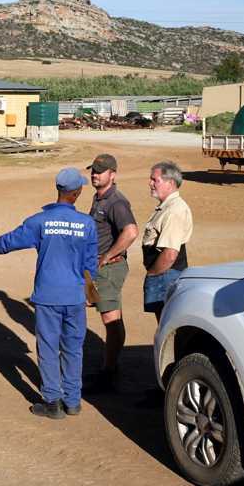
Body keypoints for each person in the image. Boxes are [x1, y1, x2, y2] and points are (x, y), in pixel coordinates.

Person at [0, 168, 98, 420]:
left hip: (48, 296)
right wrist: (89, 292)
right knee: (73, 349)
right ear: (77, 193)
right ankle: (72, 401)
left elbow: (8, 242)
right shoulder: (87, 224)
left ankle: (52, 401)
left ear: (60, 191)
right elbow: (90, 263)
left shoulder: (39, 221)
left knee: (49, 348)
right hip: (74, 296)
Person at [83, 154, 137, 394]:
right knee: (110, 317)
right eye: (93, 170)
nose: (95, 174)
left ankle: (109, 371)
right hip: (99, 268)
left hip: (109, 268)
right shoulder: (99, 198)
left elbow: (131, 231)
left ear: (112, 175)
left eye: (100, 171)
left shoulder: (116, 202)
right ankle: (110, 366)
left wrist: (106, 256)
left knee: (111, 319)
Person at [142, 161, 193, 322]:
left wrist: (153, 274)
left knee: (167, 324)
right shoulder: (167, 207)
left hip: (166, 275)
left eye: (155, 180)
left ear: (170, 183)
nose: (150, 184)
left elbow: (170, 254)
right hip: (164, 274)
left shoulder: (174, 210)